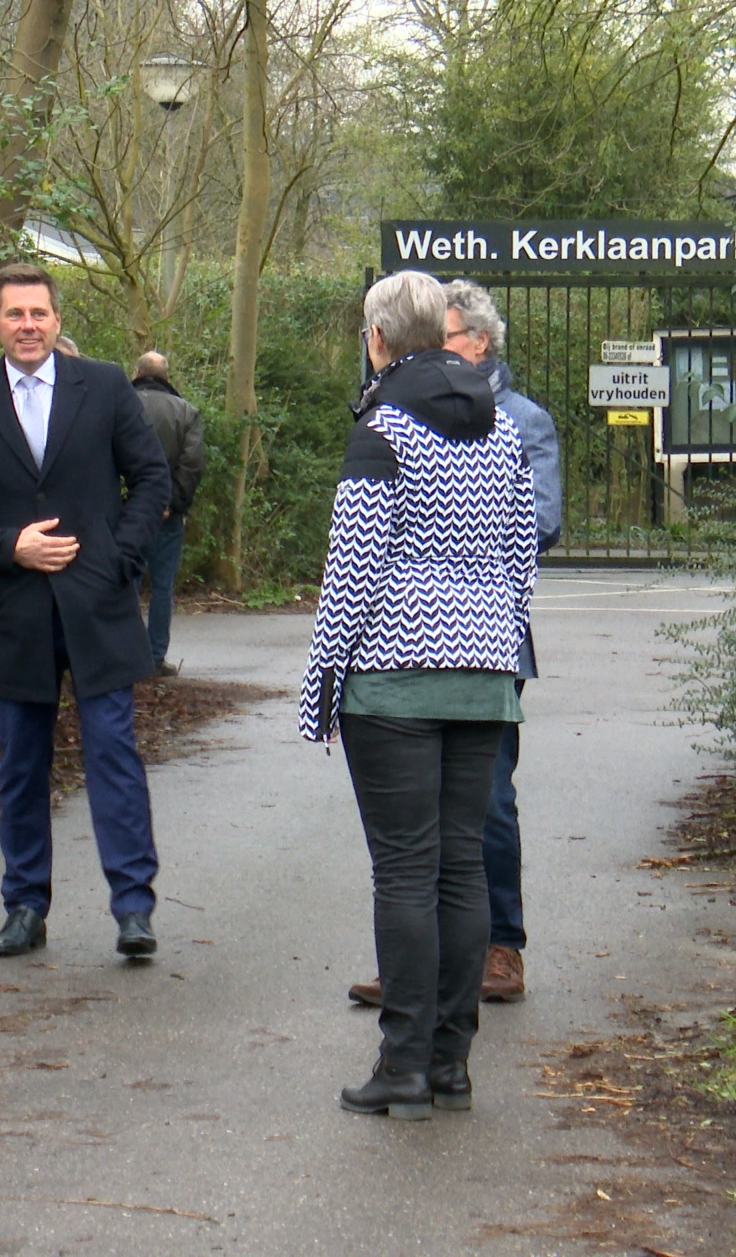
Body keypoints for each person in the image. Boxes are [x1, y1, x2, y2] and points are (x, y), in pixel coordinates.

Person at [301, 269, 538, 1119]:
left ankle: (401, 1065)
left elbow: (353, 572)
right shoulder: (502, 431)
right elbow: (522, 561)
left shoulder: (384, 428)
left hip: (394, 675)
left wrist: (322, 685)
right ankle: (451, 1066)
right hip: (483, 673)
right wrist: (497, 645)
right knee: (462, 863)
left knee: (404, 868)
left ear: (377, 340)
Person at [0, 262, 173, 960]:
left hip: (98, 607)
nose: (27, 326)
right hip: (18, 611)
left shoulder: (107, 388)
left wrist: (117, 560)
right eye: (14, 315)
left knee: (113, 756)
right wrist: (9, 546)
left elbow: (152, 476)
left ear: (57, 319)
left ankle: (133, 908)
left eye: (38, 313)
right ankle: (24, 906)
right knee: (21, 766)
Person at [347, 280, 562, 1009]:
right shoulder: (429, 418)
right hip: (468, 648)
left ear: (480, 342)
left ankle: (494, 953)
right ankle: (424, 991)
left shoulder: (514, 422)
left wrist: (326, 684)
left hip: (456, 651)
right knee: (428, 846)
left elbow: (534, 531)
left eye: (452, 337)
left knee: (468, 824)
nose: (442, 350)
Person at [130, 351, 207, 677]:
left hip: (126, 512)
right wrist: (171, 504)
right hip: (166, 515)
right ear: (166, 375)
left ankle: (125, 653)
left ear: (137, 371)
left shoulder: (122, 405)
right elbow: (192, 464)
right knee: (162, 586)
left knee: (125, 582)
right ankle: (154, 656)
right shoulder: (186, 412)